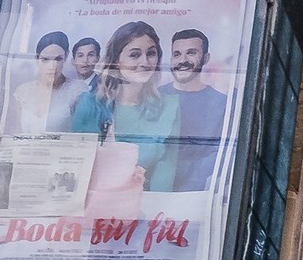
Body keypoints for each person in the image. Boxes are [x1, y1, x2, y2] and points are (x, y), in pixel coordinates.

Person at [66, 20, 187, 193]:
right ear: (116, 61)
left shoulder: (168, 108)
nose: (145, 62)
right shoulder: (91, 106)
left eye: (151, 53)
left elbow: (164, 179)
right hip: (98, 203)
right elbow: (79, 170)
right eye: (135, 55)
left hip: (147, 204)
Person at [159, 27, 232, 193]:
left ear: (206, 58)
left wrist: (191, 186)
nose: (182, 60)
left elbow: (220, 154)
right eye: (177, 54)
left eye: (191, 53)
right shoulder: (155, 97)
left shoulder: (222, 103)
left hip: (197, 194)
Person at [10, 32, 79, 134]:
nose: (52, 67)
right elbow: (17, 131)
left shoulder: (76, 90)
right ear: (37, 59)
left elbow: (82, 133)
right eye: (45, 59)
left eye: (58, 59)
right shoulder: (23, 92)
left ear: (66, 57)